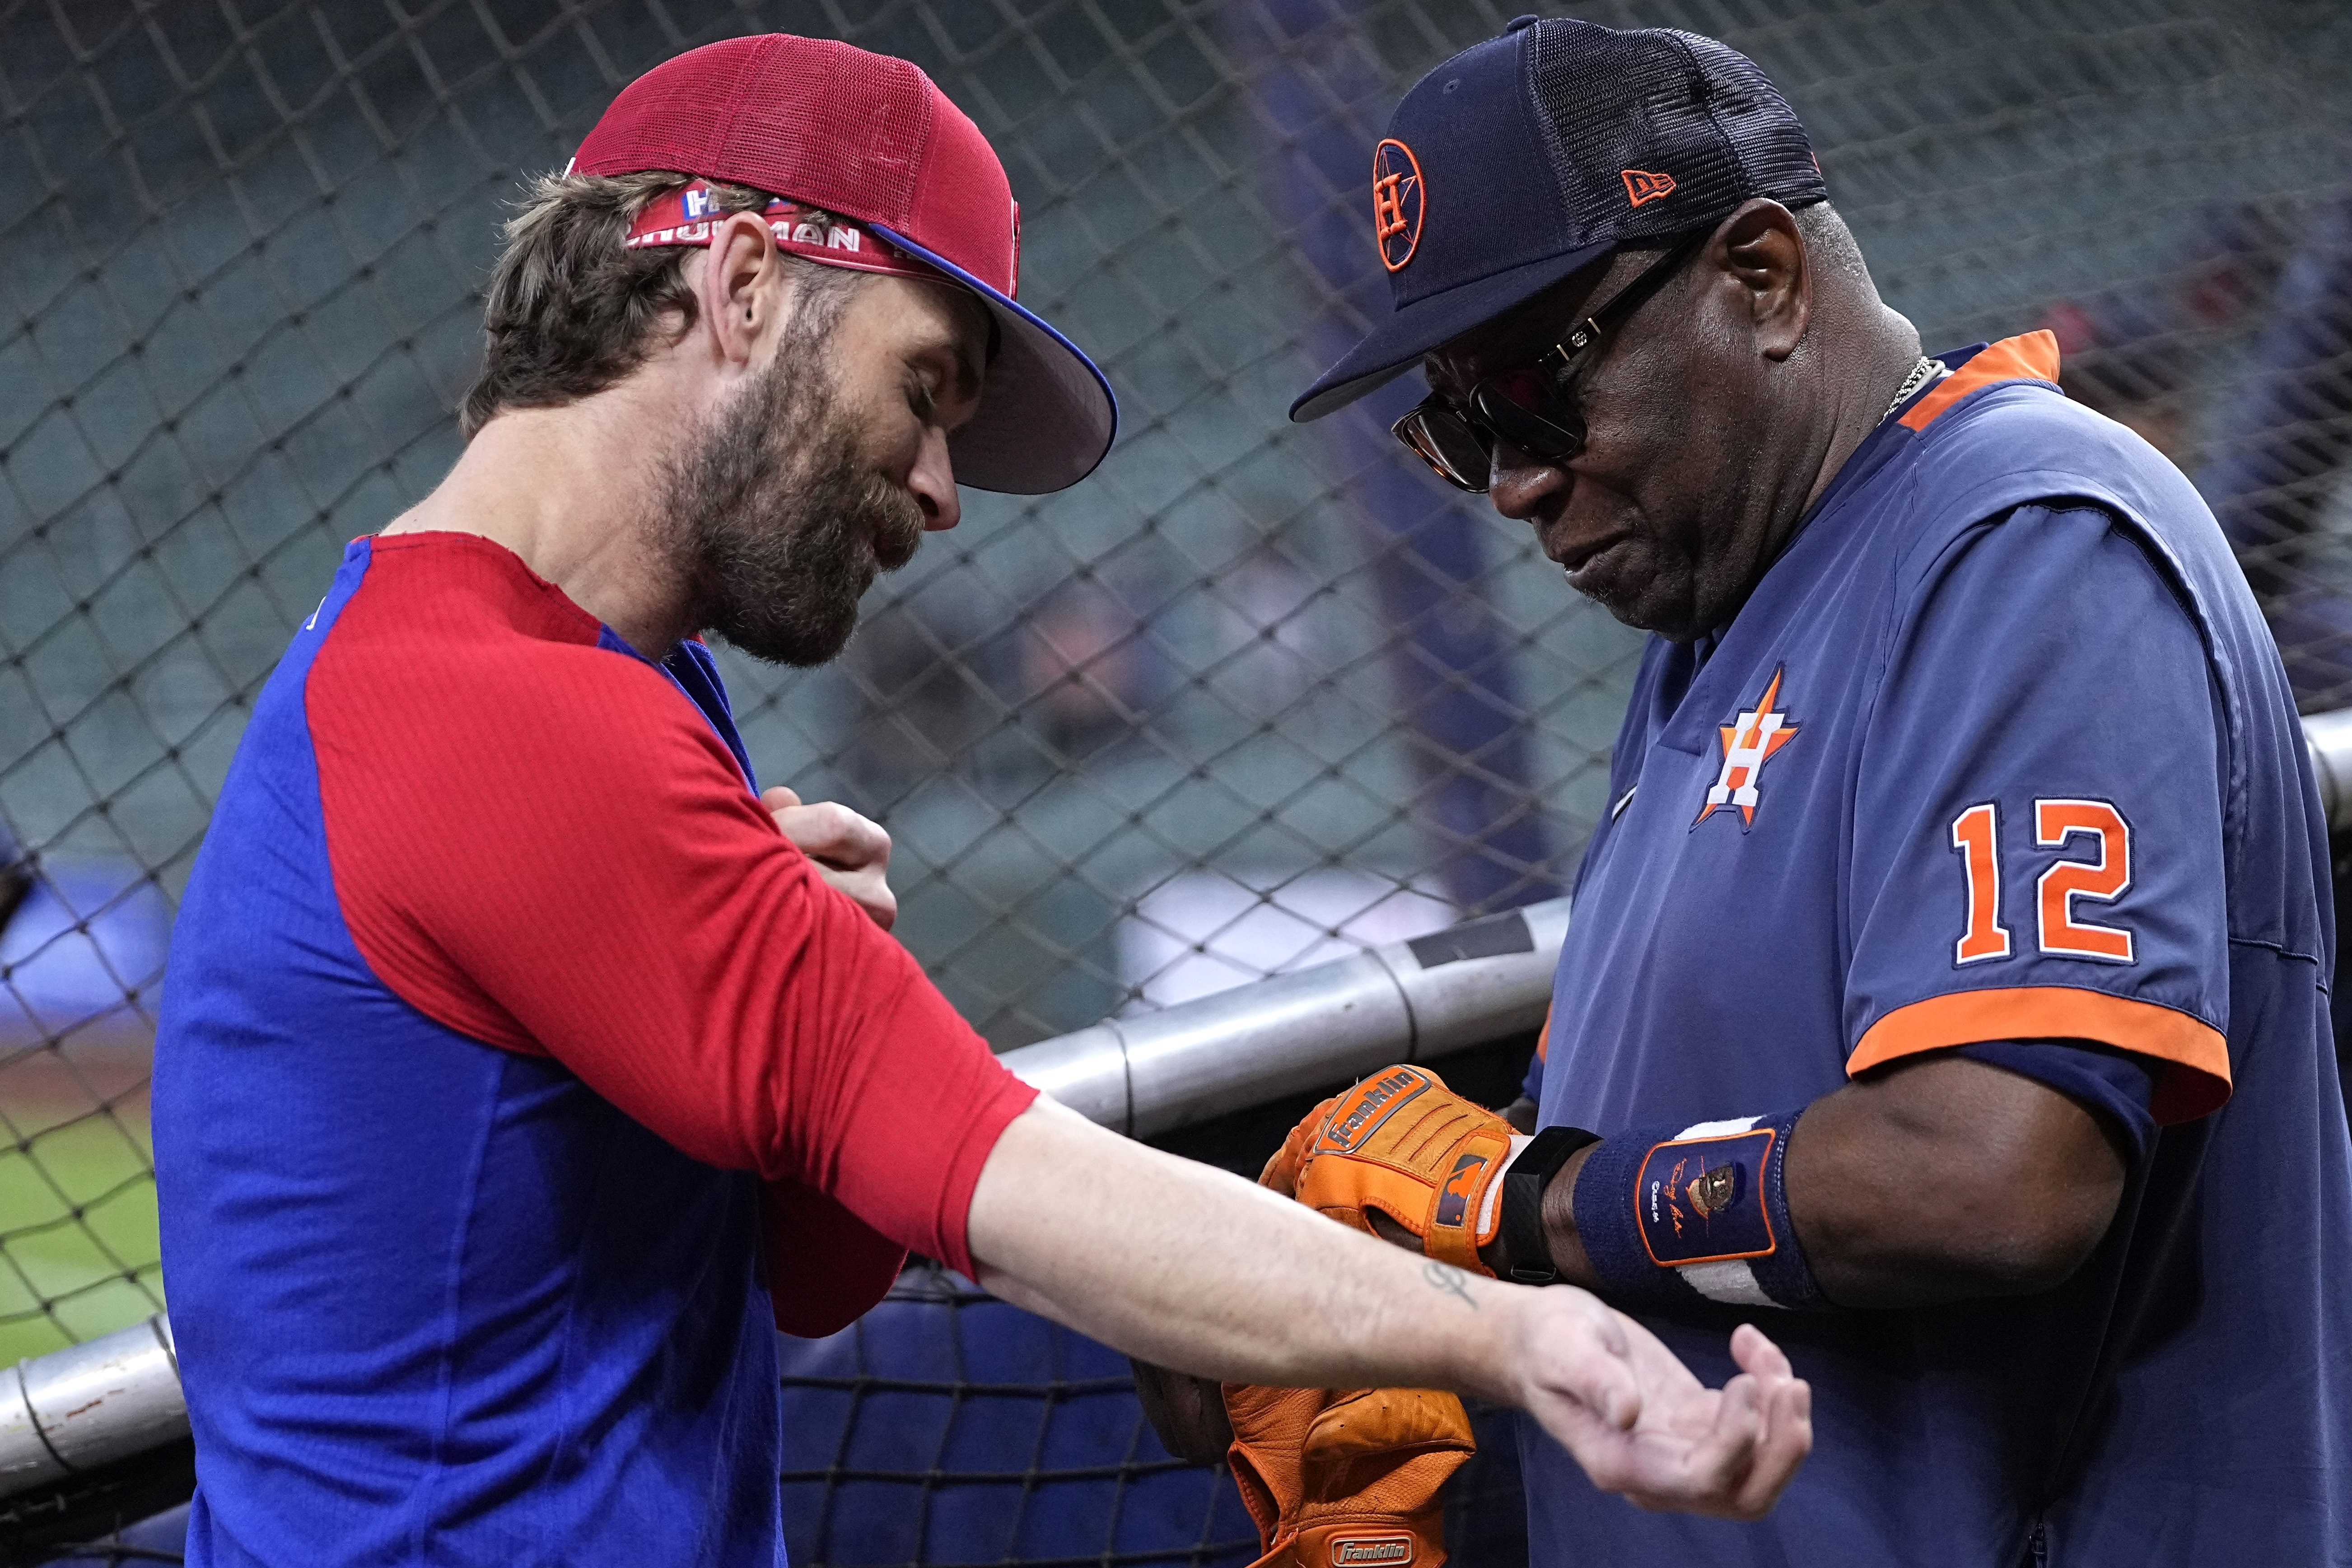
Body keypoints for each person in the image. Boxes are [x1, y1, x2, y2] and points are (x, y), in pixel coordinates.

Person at [147, 32, 1811, 1568]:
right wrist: (1519, 1338)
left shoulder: (578, 679)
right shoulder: (497, 712)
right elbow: (981, 1184)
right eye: (927, 389)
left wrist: (758, 960)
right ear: (739, 287)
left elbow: (815, 1269)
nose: (942, 492)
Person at [1143, 15, 2352, 1568]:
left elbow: (1997, 1177)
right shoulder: (1717, 617)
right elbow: (1667, 1159)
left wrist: (1522, 1204)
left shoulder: (2032, 545)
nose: (1512, 479)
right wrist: (1371, 1278)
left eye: (1532, 391)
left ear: (1763, 279)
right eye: (1461, 429)